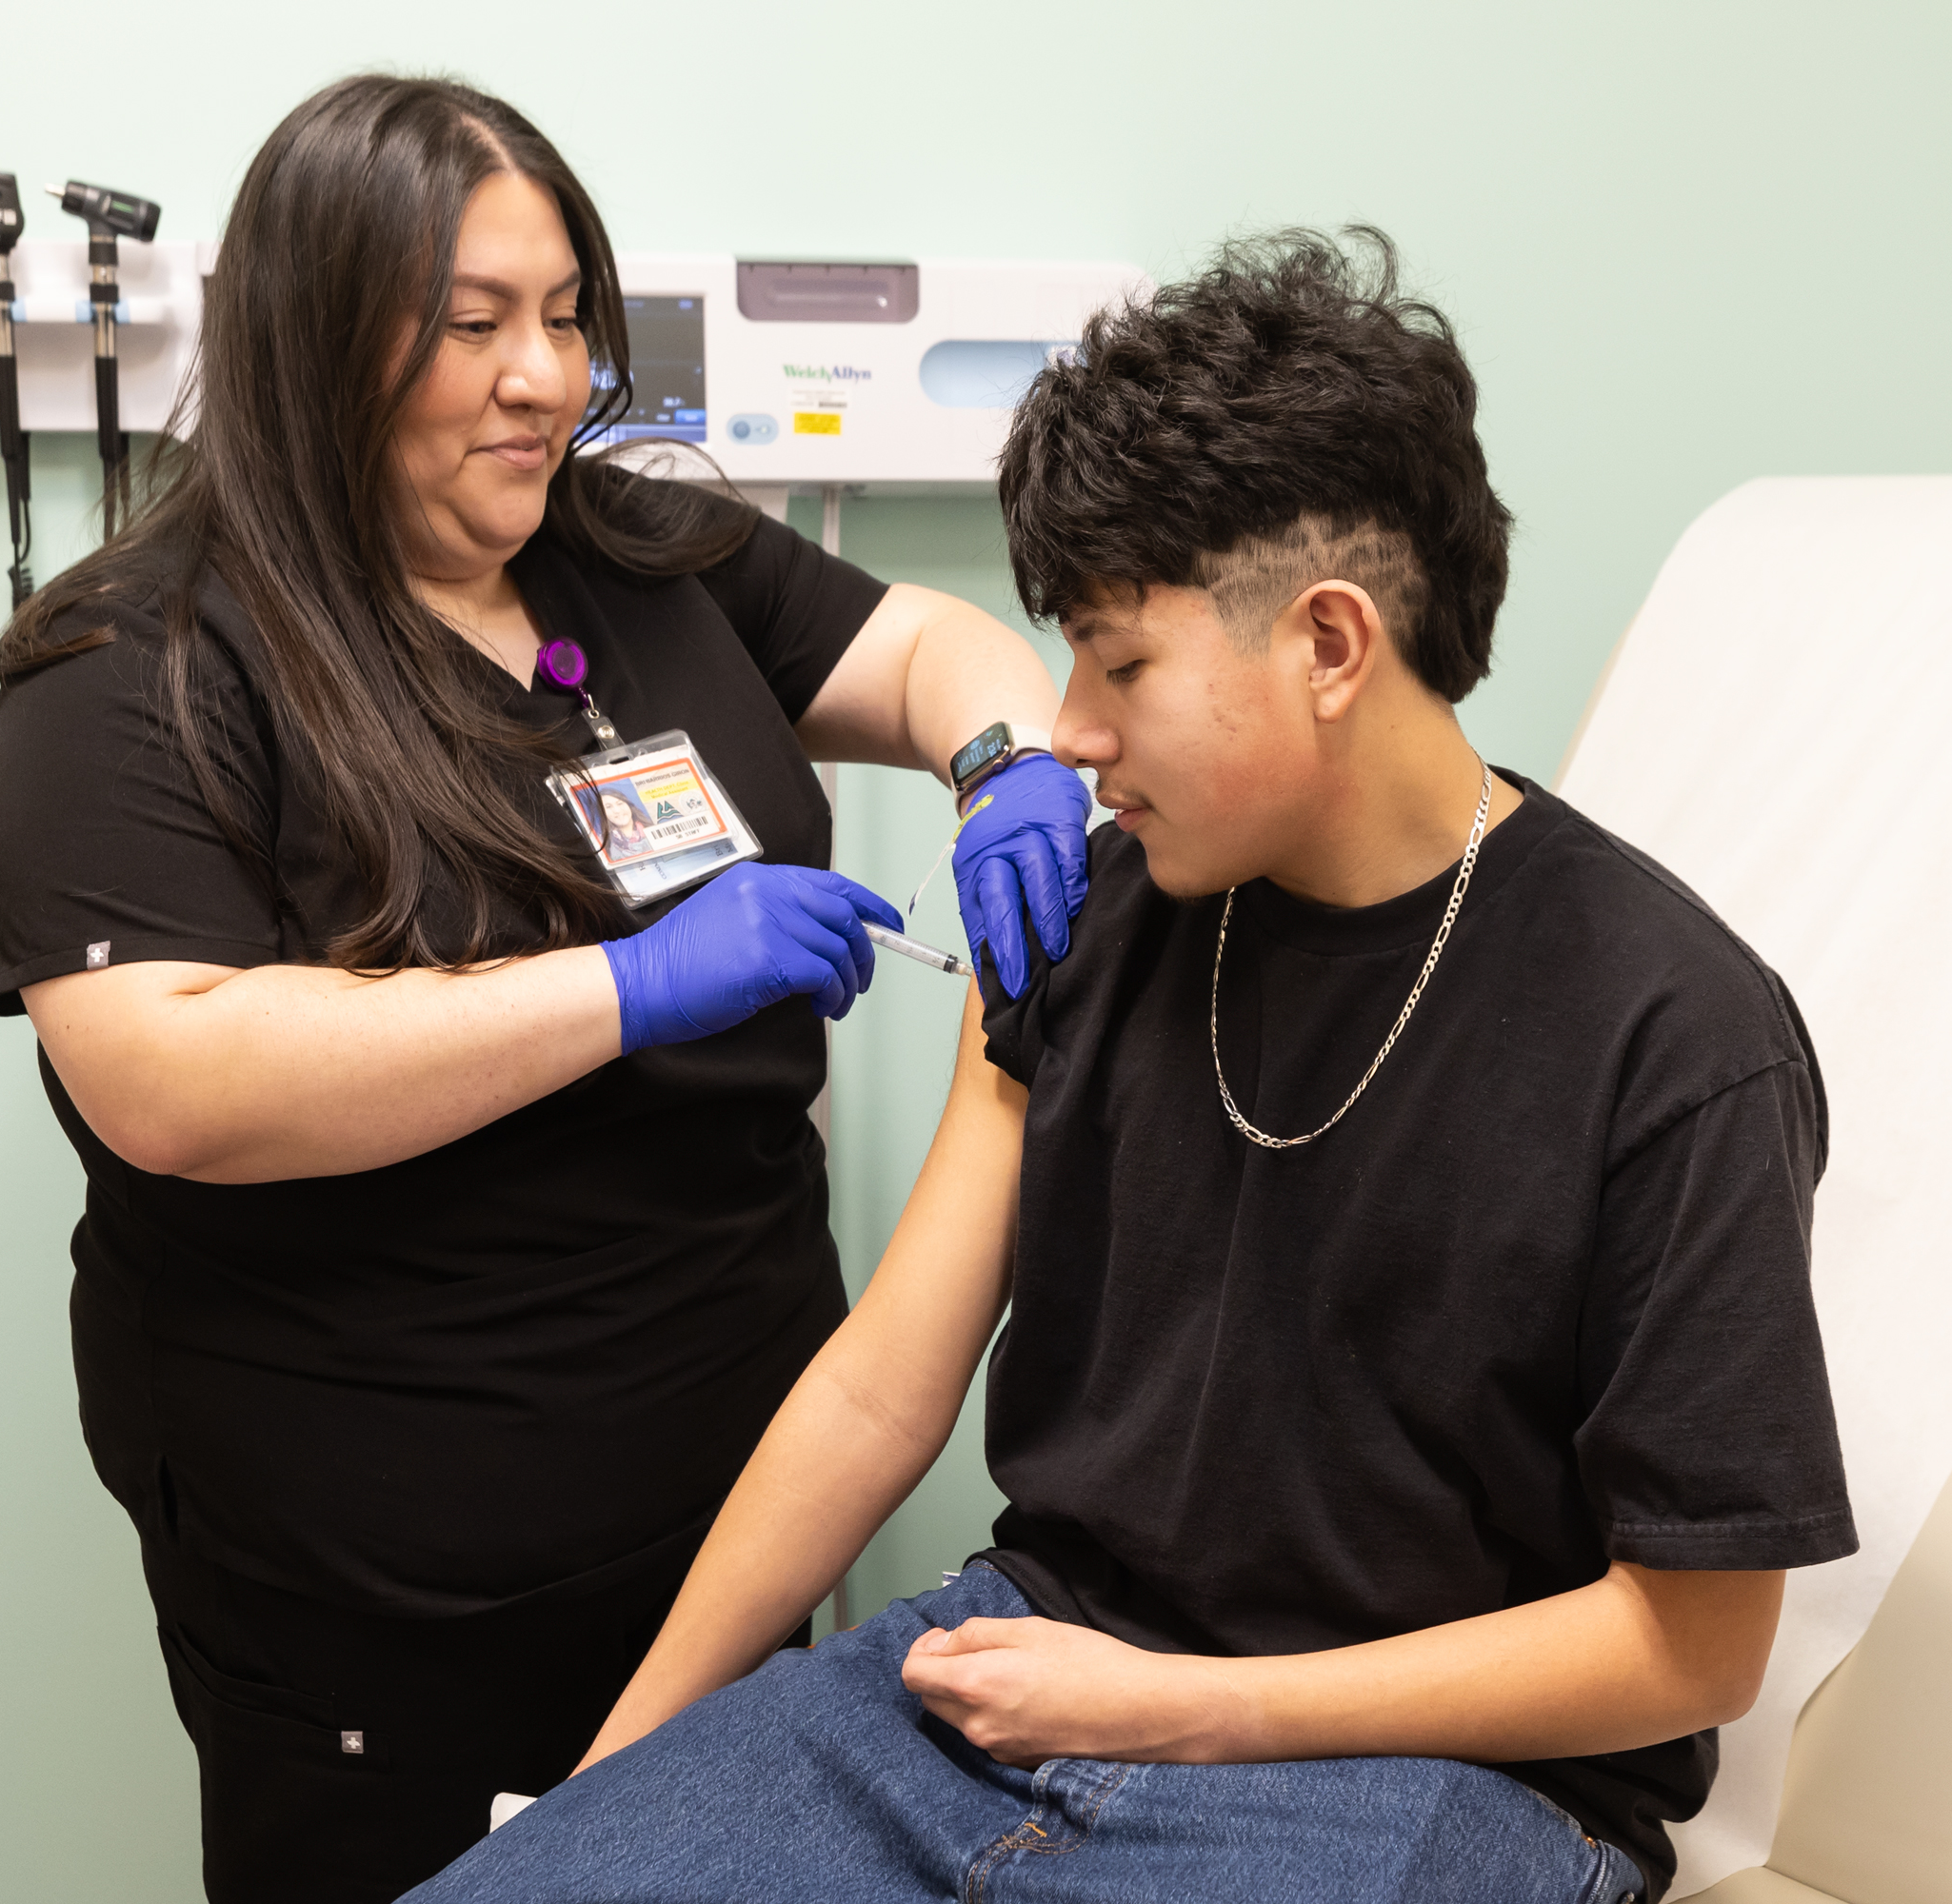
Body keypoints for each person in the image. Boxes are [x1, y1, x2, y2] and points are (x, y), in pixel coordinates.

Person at [408, 229, 1854, 1904]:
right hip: (1017, 1683)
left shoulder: (1670, 1036)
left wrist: (1181, 1713)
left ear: (1328, 645)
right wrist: (610, 1782)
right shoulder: (1087, 927)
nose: (1071, 730)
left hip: (1442, 1781)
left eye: (1122, 661)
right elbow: (881, 1389)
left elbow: (1692, 1647)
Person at [0, 74, 1089, 1904]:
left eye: (564, 316)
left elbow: (929, 650)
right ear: (319, 337)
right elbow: (173, 1078)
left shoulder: (630, 547)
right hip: (388, 1617)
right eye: (473, 324)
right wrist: (626, 987)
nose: (543, 376)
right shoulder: (136, 666)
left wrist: (1004, 763)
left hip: (740, 1522)